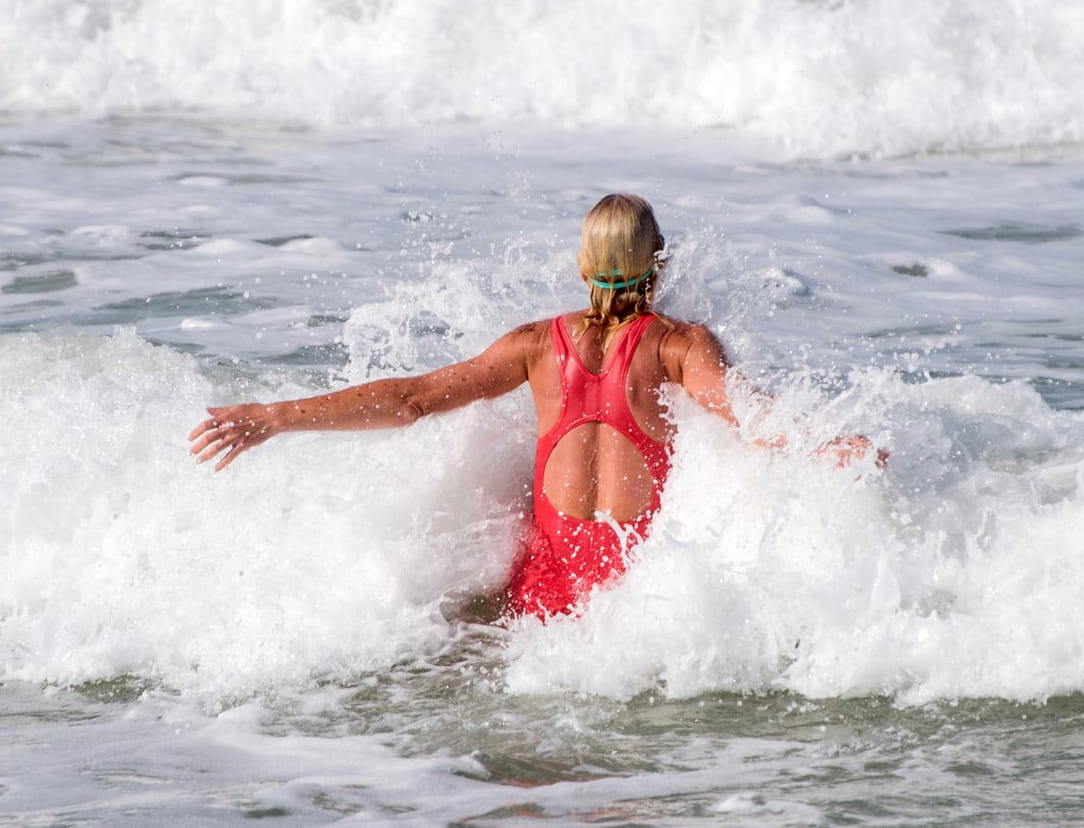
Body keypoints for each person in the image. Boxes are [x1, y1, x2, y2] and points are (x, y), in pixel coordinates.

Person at [190, 193, 852, 619]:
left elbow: (411, 400)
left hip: (545, 590)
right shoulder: (680, 347)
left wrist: (276, 416)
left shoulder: (536, 347)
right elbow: (750, 416)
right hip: (637, 602)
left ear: (582, 268)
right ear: (660, 265)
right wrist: (827, 449)